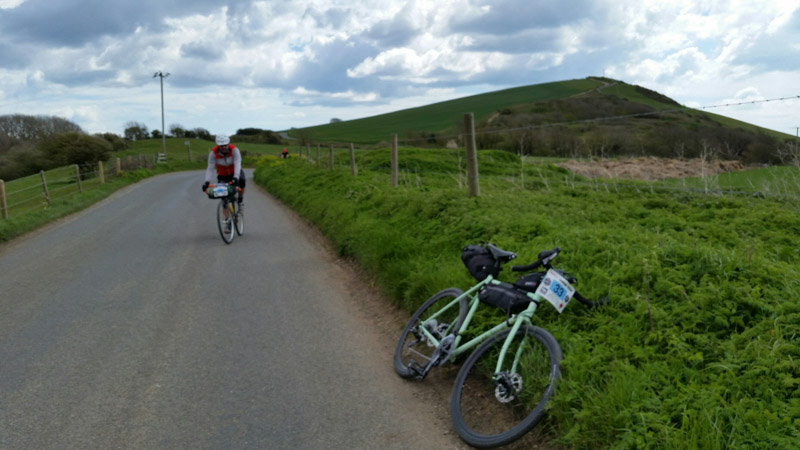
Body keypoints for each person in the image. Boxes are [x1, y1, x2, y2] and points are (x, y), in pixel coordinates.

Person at [203, 134, 245, 218]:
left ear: (228, 143)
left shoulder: (234, 150)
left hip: (235, 172)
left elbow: (237, 163)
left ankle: (240, 200)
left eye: (225, 145)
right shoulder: (213, 153)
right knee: (224, 197)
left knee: (242, 180)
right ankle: (227, 221)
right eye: (221, 146)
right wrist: (206, 181)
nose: (224, 147)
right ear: (218, 145)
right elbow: (210, 168)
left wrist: (236, 177)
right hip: (223, 175)